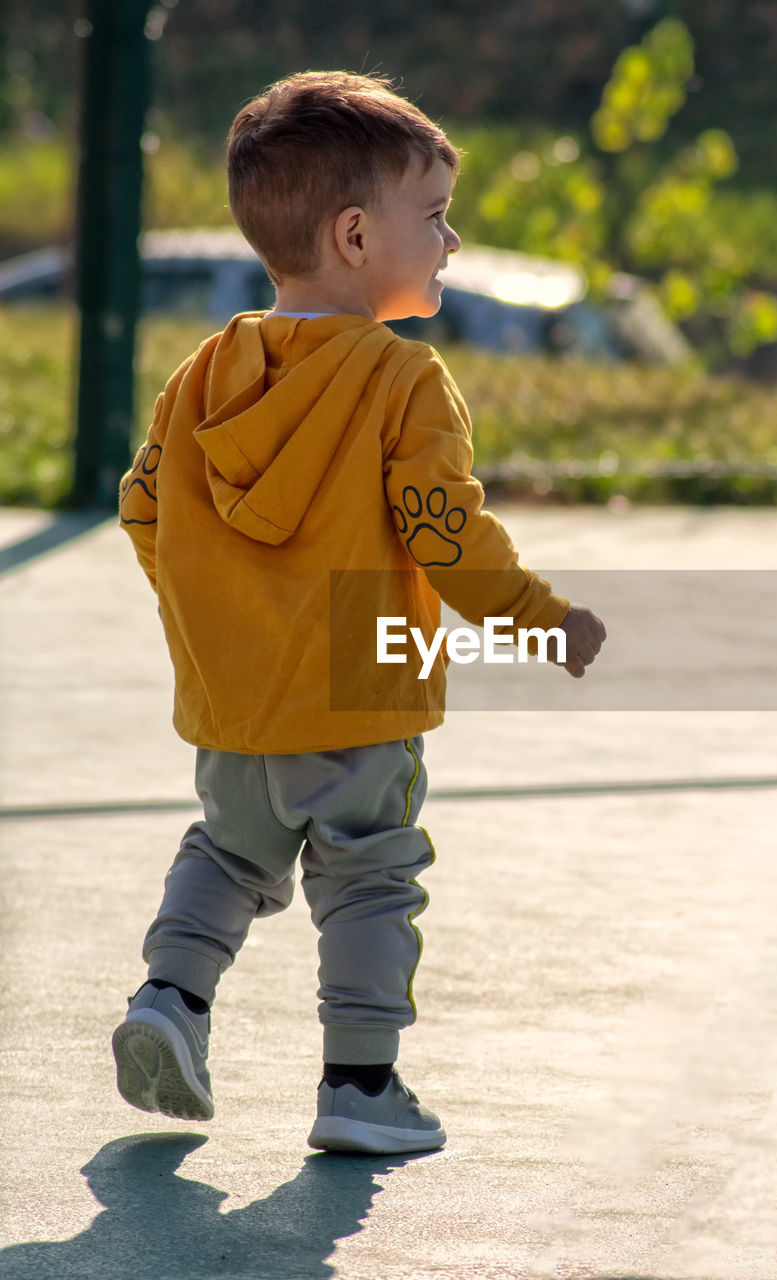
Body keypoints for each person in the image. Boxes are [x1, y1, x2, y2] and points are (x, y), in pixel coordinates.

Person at [112, 70, 606, 1156]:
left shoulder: (202, 375)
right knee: (372, 878)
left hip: (235, 698)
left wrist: (222, 617)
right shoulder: (403, 381)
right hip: (359, 688)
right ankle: (360, 1084)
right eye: (431, 217)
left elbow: (144, 510)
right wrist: (540, 619)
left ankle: (170, 1000)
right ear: (351, 236)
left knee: (229, 853)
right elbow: (447, 534)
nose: (452, 240)